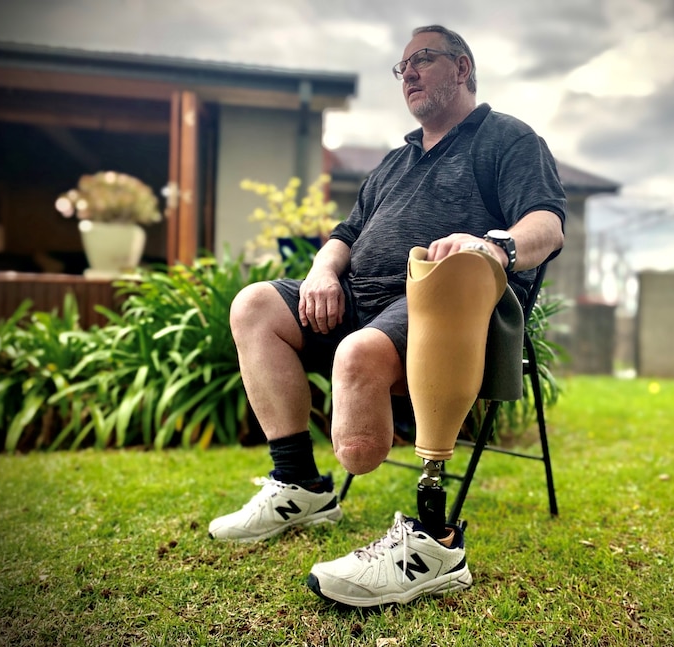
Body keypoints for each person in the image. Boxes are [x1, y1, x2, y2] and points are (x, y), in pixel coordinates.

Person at [208, 24, 566, 607]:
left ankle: (432, 538)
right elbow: (343, 234)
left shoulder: (506, 139)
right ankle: (298, 482)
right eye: (403, 68)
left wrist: (491, 246)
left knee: (360, 360)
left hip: (442, 301)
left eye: (424, 59)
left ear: (464, 69)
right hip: (357, 297)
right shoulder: (394, 163)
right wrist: (324, 272)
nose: (411, 74)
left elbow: (546, 224)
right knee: (254, 304)